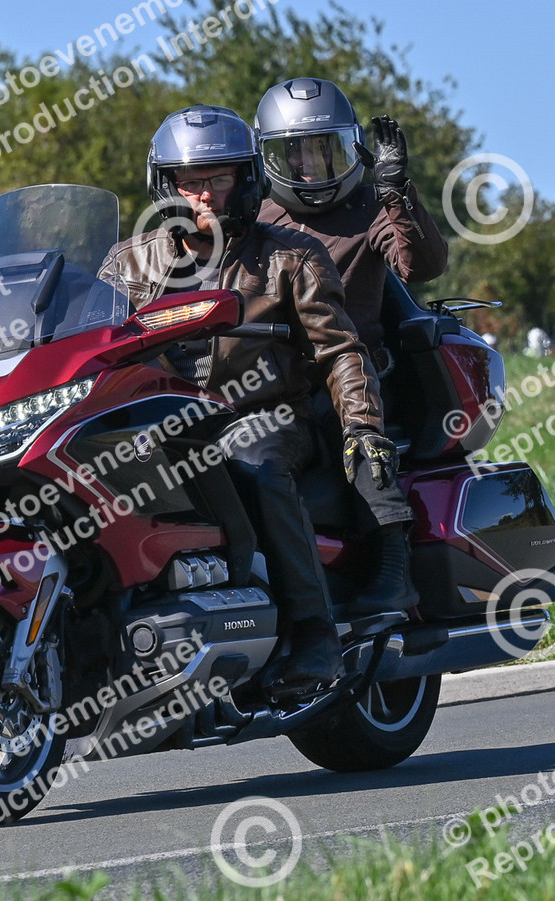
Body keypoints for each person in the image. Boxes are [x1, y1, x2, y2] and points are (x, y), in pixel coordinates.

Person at [99, 105, 398, 691]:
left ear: (246, 180)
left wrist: (363, 427)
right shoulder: (126, 263)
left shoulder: (290, 255)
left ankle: (313, 631)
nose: (204, 195)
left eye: (219, 178)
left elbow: (340, 350)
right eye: (191, 181)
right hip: (162, 421)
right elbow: (81, 335)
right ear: (166, 185)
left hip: (266, 415)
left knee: (251, 461)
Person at [252, 77, 449, 613]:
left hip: (354, 370)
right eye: (293, 152)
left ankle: (394, 565)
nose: (309, 164)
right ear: (268, 157)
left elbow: (422, 266)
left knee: (348, 422)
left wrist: (396, 192)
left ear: (350, 147)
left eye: (325, 148)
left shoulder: (370, 208)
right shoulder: (260, 218)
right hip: (273, 372)